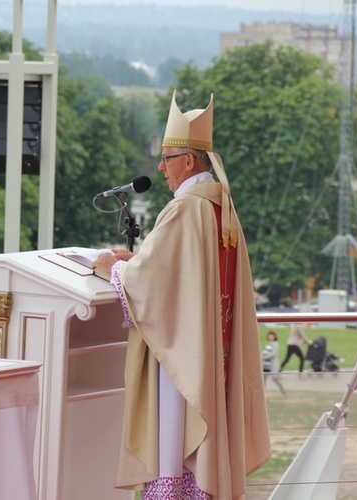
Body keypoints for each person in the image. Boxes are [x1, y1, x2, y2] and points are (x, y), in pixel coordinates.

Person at [93, 92, 271, 499]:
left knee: (174, 433)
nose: (160, 168)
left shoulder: (185, 208)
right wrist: (137, 261)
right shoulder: (221, 205)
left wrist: (114, 268)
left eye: (167, 159)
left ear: (189, 161)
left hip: (185, 361)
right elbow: (181, 276)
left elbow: (154, 285)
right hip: (210, 352)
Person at [262, 331, 286, 396]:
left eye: (272, 335)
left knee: (275, 379)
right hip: (266, 365)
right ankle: (263, 394)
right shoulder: (268, 344)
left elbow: (272, 354)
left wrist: (262, 357)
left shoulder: (275, 344)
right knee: (263, 380)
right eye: (269, 335)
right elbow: (265, 352)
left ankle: (283, 392)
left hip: (272, 366)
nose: (270, 337)